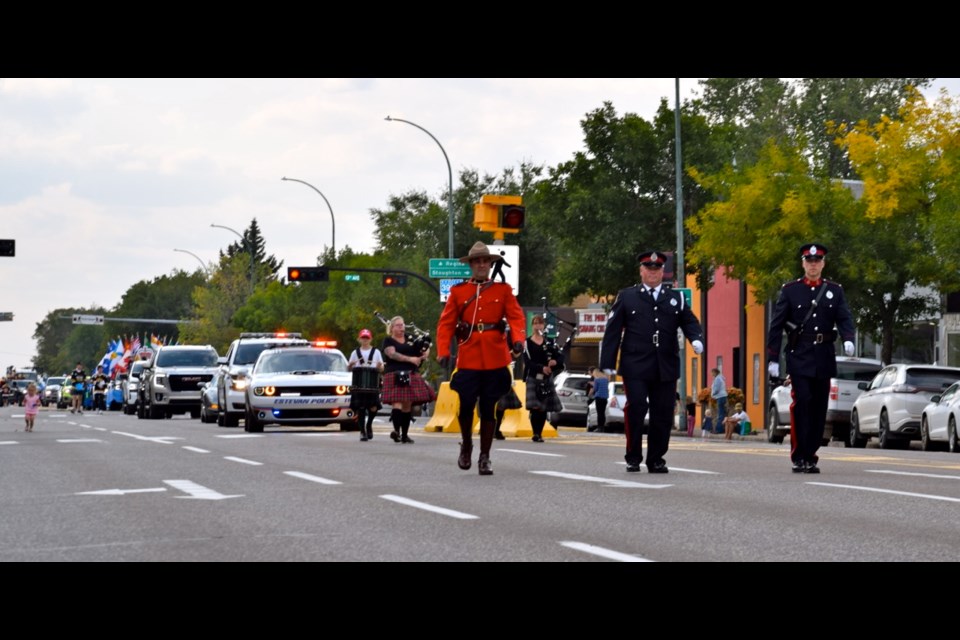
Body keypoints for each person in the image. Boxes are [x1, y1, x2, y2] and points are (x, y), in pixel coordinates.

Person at [600, 250, 704, 473]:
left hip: (665, 364)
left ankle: (656, 458)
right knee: (636, 407)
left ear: (662, 272)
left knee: (663, 412)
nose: (653, 273)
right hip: (635, 363)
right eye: (648, 268)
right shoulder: (627, 296)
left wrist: (696, 339)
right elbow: (613, 329)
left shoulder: (675, 297)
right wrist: (607, 360)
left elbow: (689, 322)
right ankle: (633, 456)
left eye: (657, 269)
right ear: (641, 271)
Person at [437, 241, 526, 475]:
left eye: (485, 261)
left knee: (489, 407)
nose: (481, 265)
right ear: (471, 265)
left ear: (489, 264)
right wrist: (443, 351)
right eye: (477, 261)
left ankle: (485, 457)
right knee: (466, 405)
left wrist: (518, 338)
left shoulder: (502, 290)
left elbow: (516, 318)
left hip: (495, 357)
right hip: (469, 355)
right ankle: (466, 444)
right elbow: (446, 324)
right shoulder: (458, 292)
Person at [768, 243, 855, 474]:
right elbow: (776, 327)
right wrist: (773, 359)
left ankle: (811, 454)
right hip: (800, 355)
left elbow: (844, 317)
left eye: (817, 262)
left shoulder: (834, 290)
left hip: (824, 355)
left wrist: (848, 338)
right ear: (803, 263)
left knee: (818, 408)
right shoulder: (790, 290)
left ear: (823, 264)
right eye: (809, 261)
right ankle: (799, 455)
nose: (813, 265)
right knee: (802, 403)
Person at [381, 317, 436, 444]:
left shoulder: (411, 338)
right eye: (398, 325)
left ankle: (405, 435)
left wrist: (426, 349)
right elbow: (392, 354)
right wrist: (410, 359)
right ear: (392, 328)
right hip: (394, 372)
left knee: (407, 404)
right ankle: (396, 432)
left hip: (411, 372)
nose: (401, 327)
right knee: (397, 403)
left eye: (403, 325)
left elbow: (422, 351)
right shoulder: (388, 340)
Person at [523, 315, 564, 442]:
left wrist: (554, 362)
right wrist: (541, 368)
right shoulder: (527, 342)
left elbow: (560, 358)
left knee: (543, 407)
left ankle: (539, 434)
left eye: (540, 323)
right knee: (535, 406)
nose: (537, 326)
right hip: (533, 376)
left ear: (544, 325)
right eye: (535, 323)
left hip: (546, 378)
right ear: (532, 326)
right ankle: (535, 433)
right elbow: (527, 362)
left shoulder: (550, 342)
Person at [347, 328, 384, 442]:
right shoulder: (355, 352)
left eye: (367, 338)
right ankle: (362, 431)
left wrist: (379, 367)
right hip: (359, 384)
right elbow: (349, 368)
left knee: (373, 408)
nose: (365, 340)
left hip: (372, 383)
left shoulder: (376, 352)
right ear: (359, 339)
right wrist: (351, 365)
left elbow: (382, 368)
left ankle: (369, 425)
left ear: (370, 339)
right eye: (363, 338)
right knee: (361, 408)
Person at [710, 368, 728, 433]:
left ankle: (718, 429)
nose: (711, 374)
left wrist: (712, 394)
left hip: (720, 397)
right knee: (722, 413)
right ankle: (722, 428)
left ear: (715, 372)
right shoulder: (721, 378)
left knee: (720, 413)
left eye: (712, 372)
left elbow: (716, 388)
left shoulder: (717, 379)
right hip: (723, 396)